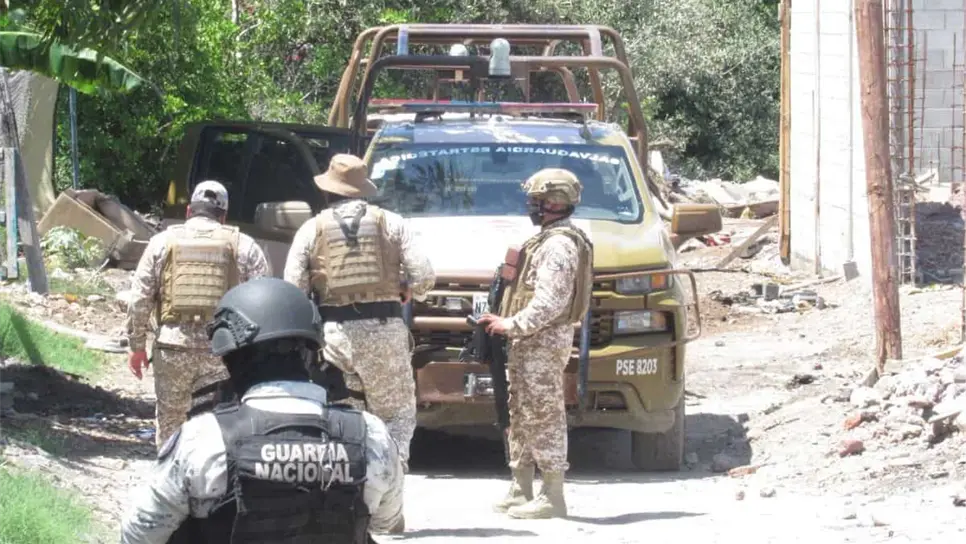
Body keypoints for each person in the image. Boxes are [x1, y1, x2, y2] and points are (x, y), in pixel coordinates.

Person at [118, 277, 406, 543]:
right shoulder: (369, 435)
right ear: (309, 354)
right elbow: (386, 522)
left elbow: (139, 535)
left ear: (233, 360)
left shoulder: (204, 440)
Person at [283, 153, 435, 471]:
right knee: (395, 416)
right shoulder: (392, 222)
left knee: (347, 421)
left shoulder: (311, 229)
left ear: (328, 189)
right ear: (362, 188)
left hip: (335, 337)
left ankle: (352, 498)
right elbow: (424, 278)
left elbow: (293, 291)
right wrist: (407, 287)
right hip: (385, 334)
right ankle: (390, 498)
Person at [476, 168, 593, 520]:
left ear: (554, 202)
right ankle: (521, 486)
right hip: (529, 341)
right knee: (522, 411)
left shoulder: (558, 245)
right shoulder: (546, 239)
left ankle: (552, 495)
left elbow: (550, 302)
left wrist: (511, 324)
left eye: (537, 200)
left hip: (542, 340)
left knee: (544, 414)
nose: (532, 206)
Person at [126, 180, 271, 449]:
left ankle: (171, 481)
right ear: (224, 215)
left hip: (173, 348)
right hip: (222, 351)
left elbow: (139, 299)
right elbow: (262, 301)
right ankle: (213, 485)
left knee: (170, 424)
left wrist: (136, 347)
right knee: (218, 426)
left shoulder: (162, 242)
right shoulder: (245, 246)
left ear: (189, 211)